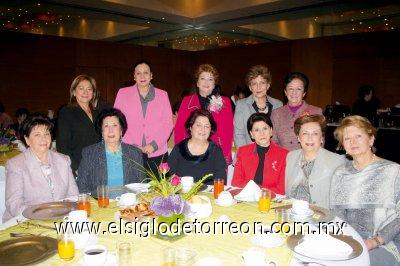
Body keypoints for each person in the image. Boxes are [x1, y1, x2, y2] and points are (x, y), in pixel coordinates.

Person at [330, 115, 400, 265]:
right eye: (347, 138)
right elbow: (337, 214)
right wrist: (343, 238)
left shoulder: (392, 171)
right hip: (350, 239)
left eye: (358, 136)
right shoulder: (340, 173)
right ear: (343, 145)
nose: (353, 142)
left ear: (371, 139)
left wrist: (374, 241)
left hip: (385, 242)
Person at [3, 115, 78, 222]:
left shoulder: (63, 160)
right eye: (37, 135)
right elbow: (14, 204)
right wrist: (43, 216)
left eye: (46, 133)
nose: (43, 138)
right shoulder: (16, 165)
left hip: (61, 218)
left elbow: (73, 195)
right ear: (27, 139)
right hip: (25, 222)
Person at [114, 61, 173, 173]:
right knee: (131, 188)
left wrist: (154, 145)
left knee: (157, 188)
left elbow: (167, 124)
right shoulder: (123, 93)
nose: (142, 76)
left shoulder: (162, 95)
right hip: (130, 151)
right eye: (138, 73)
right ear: (134, 76)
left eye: (145, 73)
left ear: (151, 75)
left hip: (157, 152)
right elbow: (117, 122)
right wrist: (133, 146)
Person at [174, 64, 234, 164]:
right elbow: (179, 129)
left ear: (214, 83)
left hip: (216, 152)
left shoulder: (225, 102)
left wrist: (224, 155)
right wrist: (181, 153)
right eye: (203, 78)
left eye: (210, 79)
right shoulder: (186, 101)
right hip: (190, 152)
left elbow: (229, 131)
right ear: (197, 83)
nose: (206, 82)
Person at [76, 108, 145, 193]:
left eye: (114, 125)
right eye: (106, 126)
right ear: (101, 131)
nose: (110, 130)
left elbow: (142, 186)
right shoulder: (89, 153)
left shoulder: (135, 153)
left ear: (121, 130)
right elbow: (81, 186)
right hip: (100, 204)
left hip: (128, 204)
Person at [285, 114, 344, 209]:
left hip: (321, 217)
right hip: (291, 213)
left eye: (315, 133)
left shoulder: (336, 161)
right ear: (298, 138)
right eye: (305, 133)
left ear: (321, 138)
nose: (310, 138)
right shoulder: (291, 156)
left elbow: (341, 200)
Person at [232, 113, 287, 194]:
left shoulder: (284, 155)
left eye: (265, 128)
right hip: (246, 197)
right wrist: (258, 190)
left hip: (271, 200)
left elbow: (281, 189)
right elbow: (236, 182)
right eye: (257, 130)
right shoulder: (242, 151)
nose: (262, 133)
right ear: (251, 134)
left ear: (271, 131)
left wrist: (259, 191)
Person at [56, 75, 101, 175]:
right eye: (81, 88)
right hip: (78, 167)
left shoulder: (98, 113)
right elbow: (62, 146)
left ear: (93, 93)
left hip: (98, 165)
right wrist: (76, 168)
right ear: (74, 92)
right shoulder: (67, 112)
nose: (85, 92)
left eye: (89, 89)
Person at [168, 109, 226, 183]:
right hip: (182, 193)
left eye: (207, 126)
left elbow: (221, 179)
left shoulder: (215, 151)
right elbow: (169, 175)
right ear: (190, 127)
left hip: (208, 193)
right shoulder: (179, 148)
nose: (203, 129)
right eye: (198, 125)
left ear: (211, 130)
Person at [234, 65, 283, 148]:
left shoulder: (278, 104)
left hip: (273, 153)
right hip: (249, 153)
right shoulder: (241, 105)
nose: (258, 87)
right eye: (254, 84)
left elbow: (280, 133)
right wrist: (247, 155)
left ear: (268, 85)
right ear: (250, 87)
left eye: (262, 83)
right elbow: (239, 135)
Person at [271, 72, 322, 151]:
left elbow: (321, 141)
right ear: (285, 92)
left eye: (299, 89)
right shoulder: (276, 114)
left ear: (304, 93)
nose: (294, 92)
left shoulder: (316, 112)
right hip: (284, 160)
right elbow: (273, 142)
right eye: (291, 88)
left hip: (308, 159)